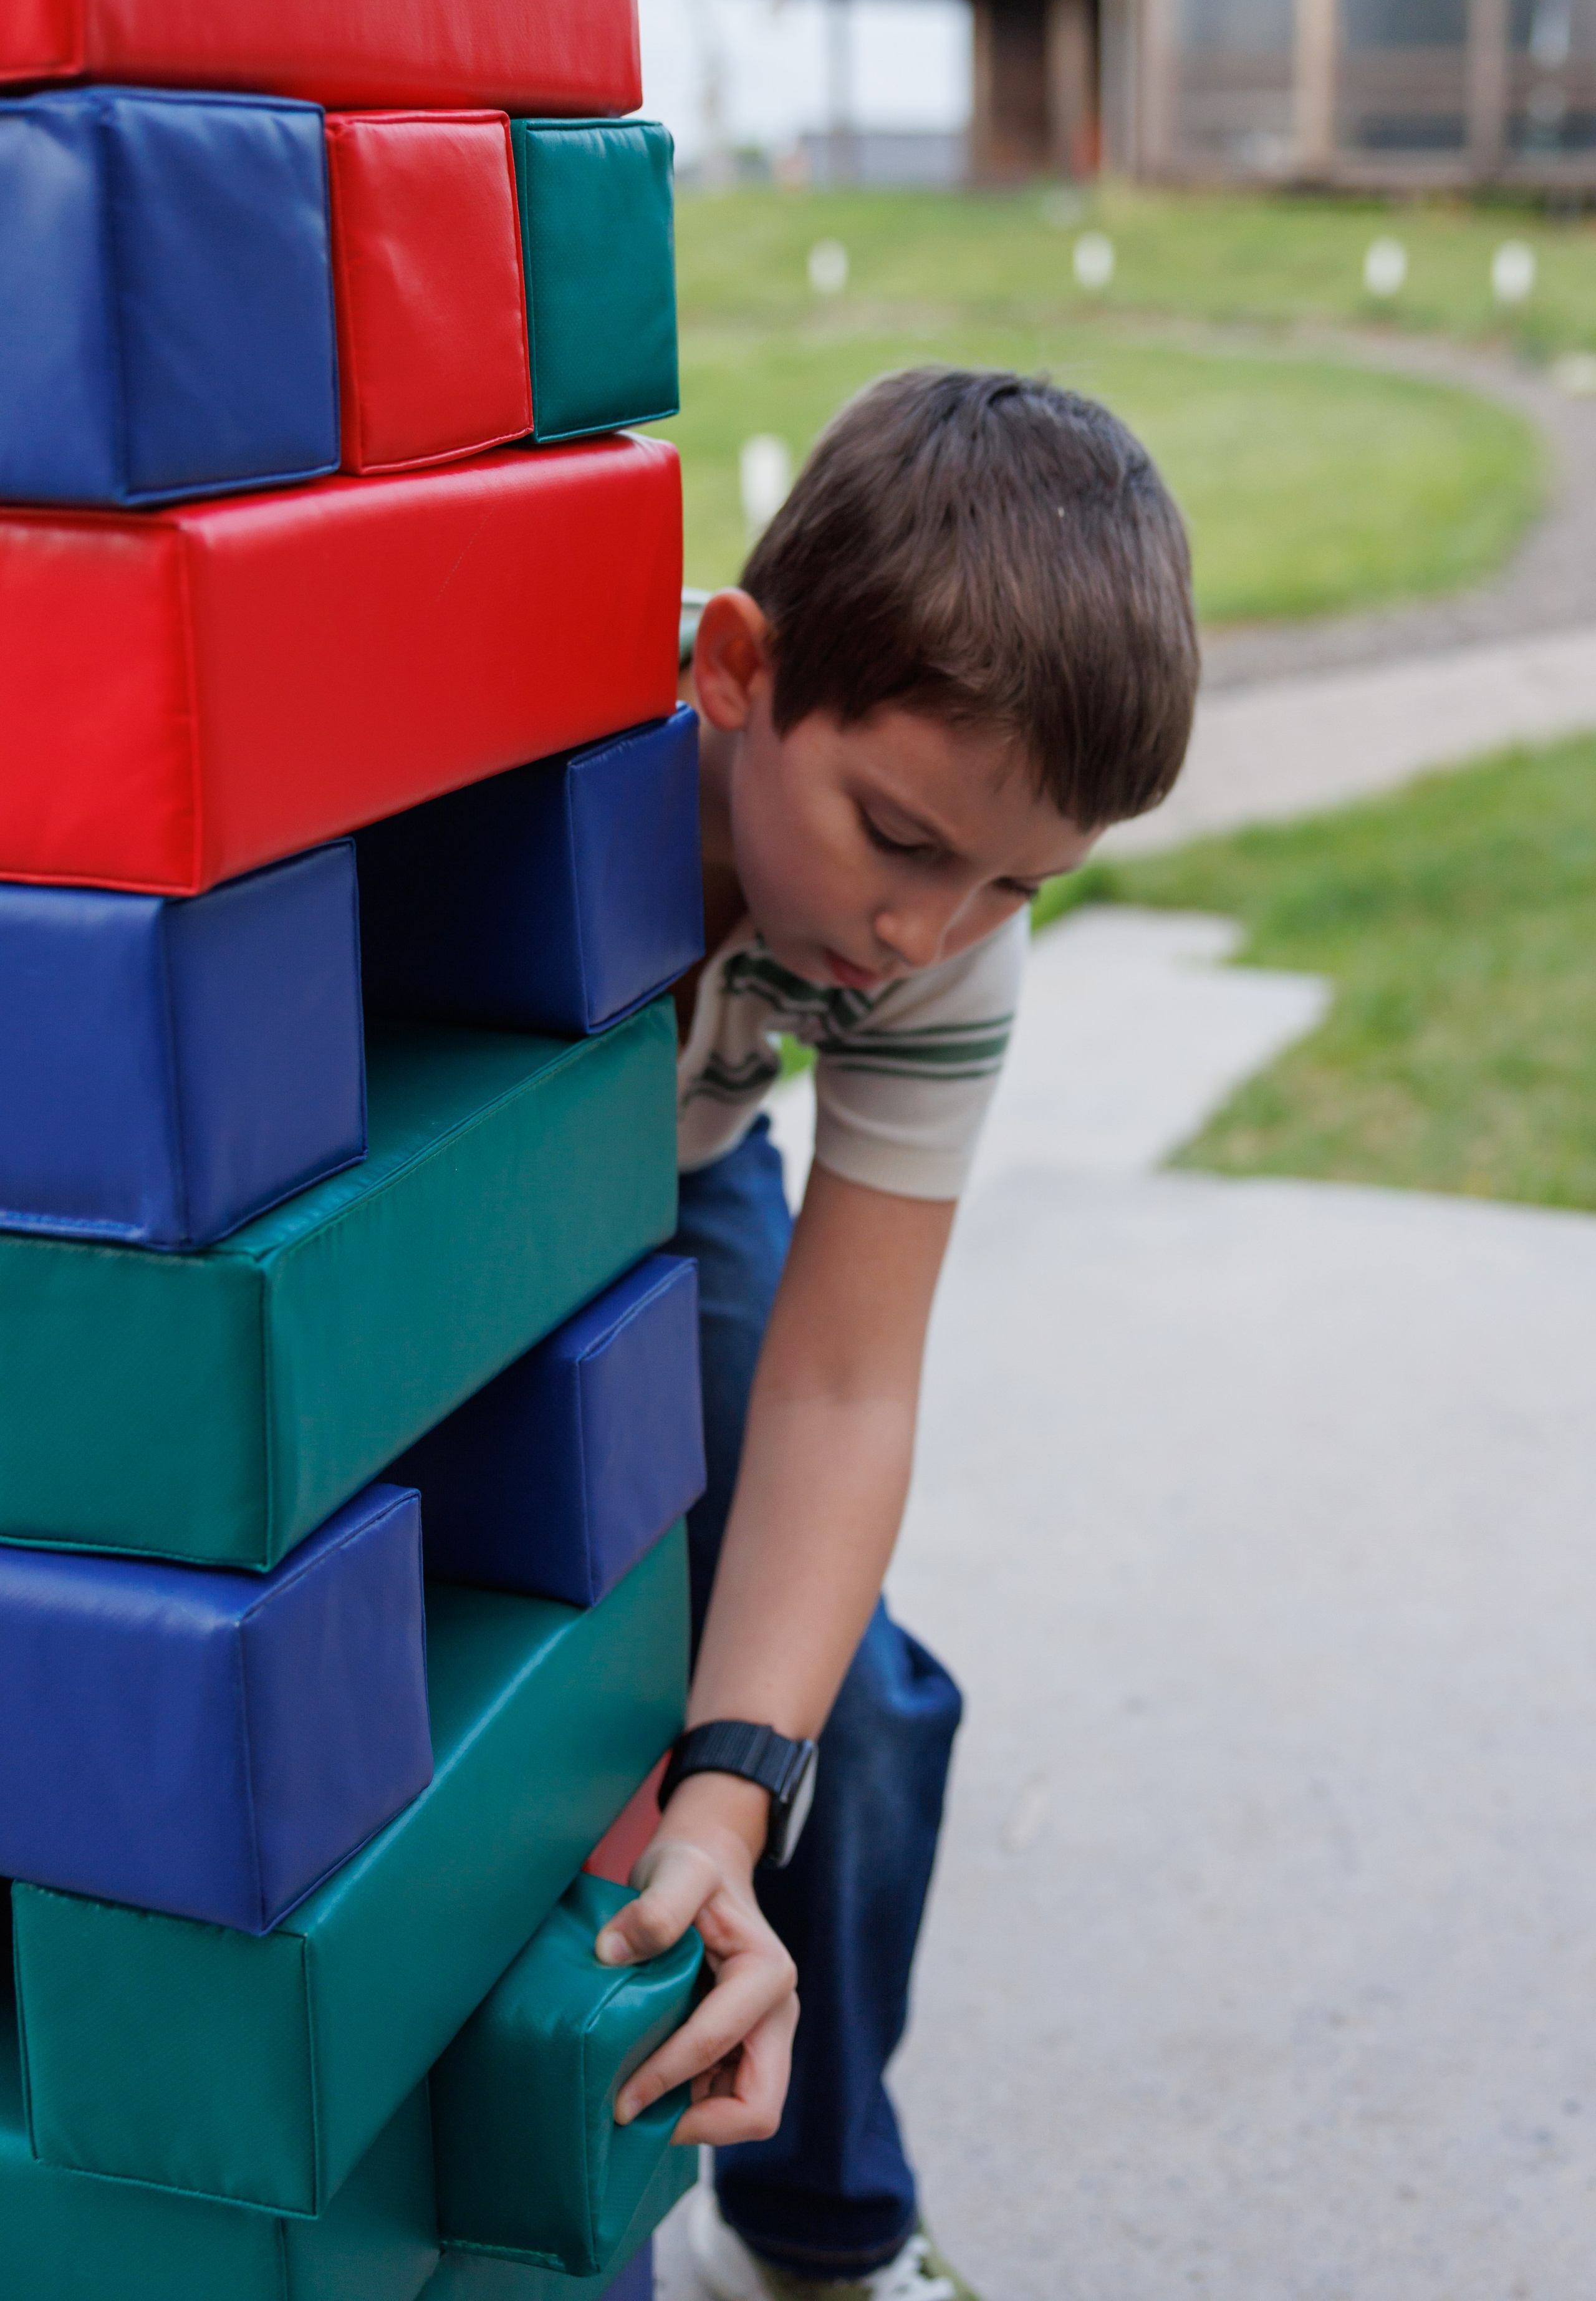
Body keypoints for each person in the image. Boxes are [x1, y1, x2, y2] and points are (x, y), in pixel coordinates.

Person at [595, 367, 1199, 2301]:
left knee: (841, 1708)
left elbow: (849, 1380)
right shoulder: (541, 758)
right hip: (426, 1206)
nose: (933, 931)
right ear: (740, 668)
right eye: (900, 839)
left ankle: (815, 2227)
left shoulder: (948, 932)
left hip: (676, 1178)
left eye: (1016, 883)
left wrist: (725, 1777)